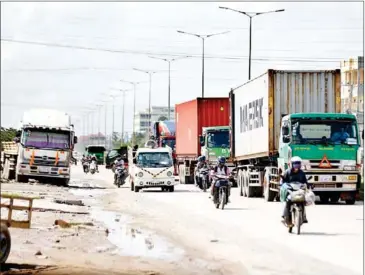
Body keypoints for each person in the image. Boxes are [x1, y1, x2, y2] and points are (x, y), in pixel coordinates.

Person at [280, 156, 311, 225]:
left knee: (303, 200)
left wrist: (308, 185)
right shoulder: (287, 172)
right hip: (290, 191)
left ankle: (304, 216)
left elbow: (305, 181)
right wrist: (283, 185)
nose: (297, 165)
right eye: (295, 163)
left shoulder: (302, 173)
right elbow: (282, 180)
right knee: (288, 201)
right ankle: (284, 216)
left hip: (299, 190)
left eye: (298, 163)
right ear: (292, 164)